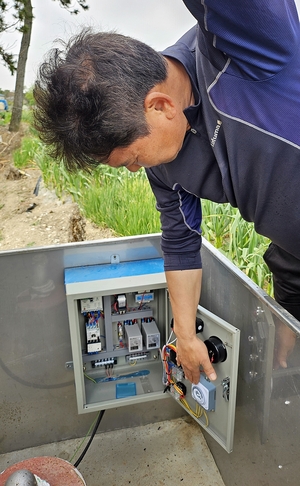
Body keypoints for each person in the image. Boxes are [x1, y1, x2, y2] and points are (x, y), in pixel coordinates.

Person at [33, 0, 300, 384]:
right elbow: (180, 243)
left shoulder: (247, 45)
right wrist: (186, 336)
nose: (136, 169)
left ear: (160, 106)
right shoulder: (164, 166)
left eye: (132, 159)